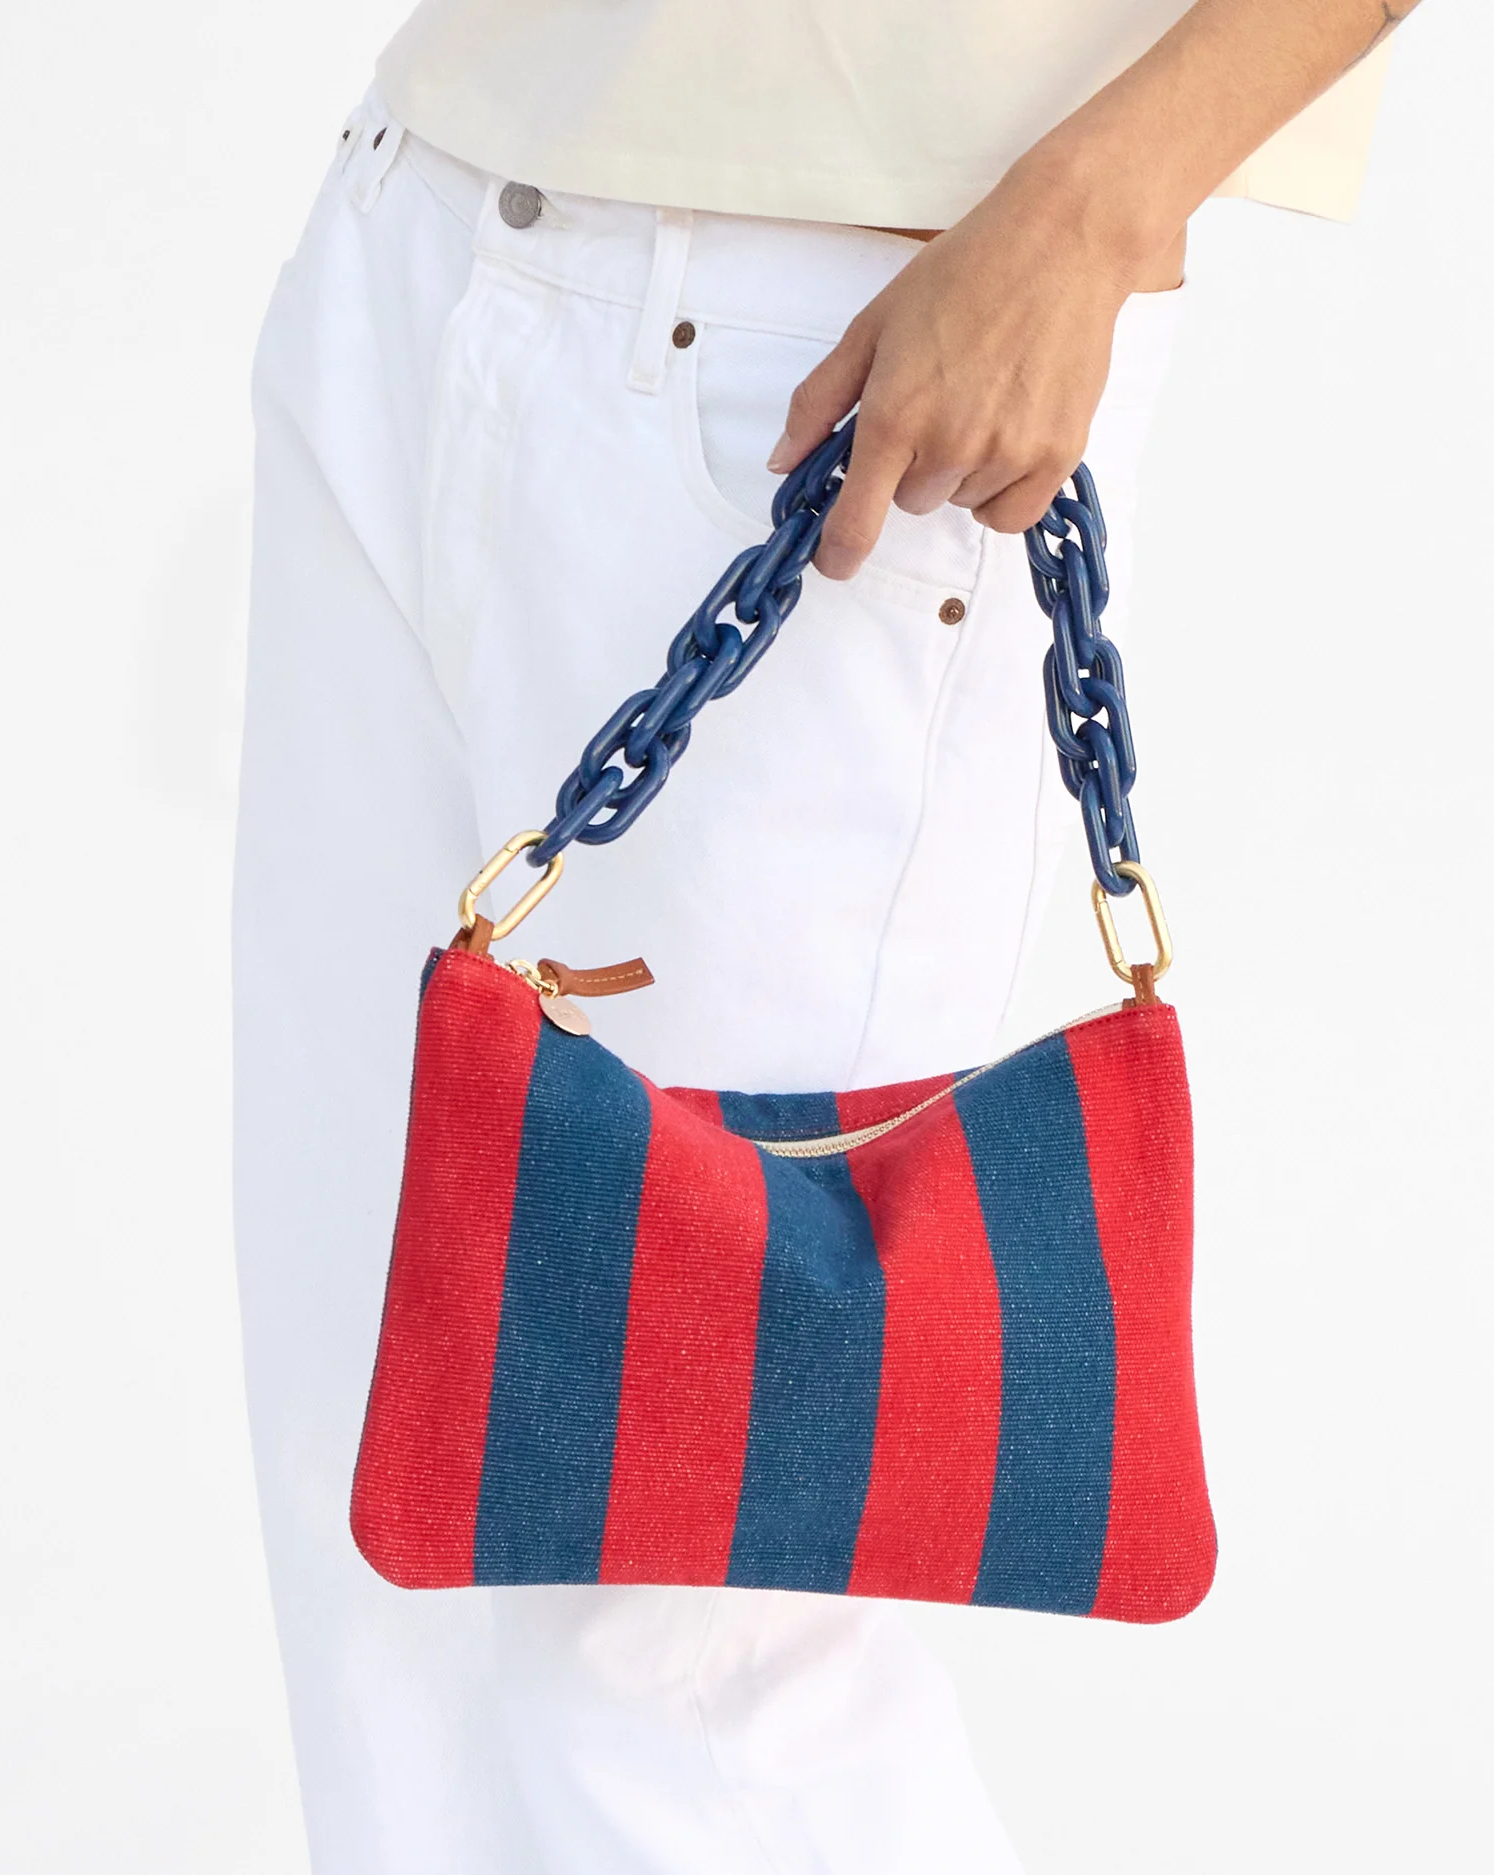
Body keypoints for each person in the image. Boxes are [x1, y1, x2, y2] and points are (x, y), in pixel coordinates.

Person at [233, 3, 1413, 1871]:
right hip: (437, 194)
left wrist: (1093, 212)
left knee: (697, 1626)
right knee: (383, 1510)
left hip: (854, 331)